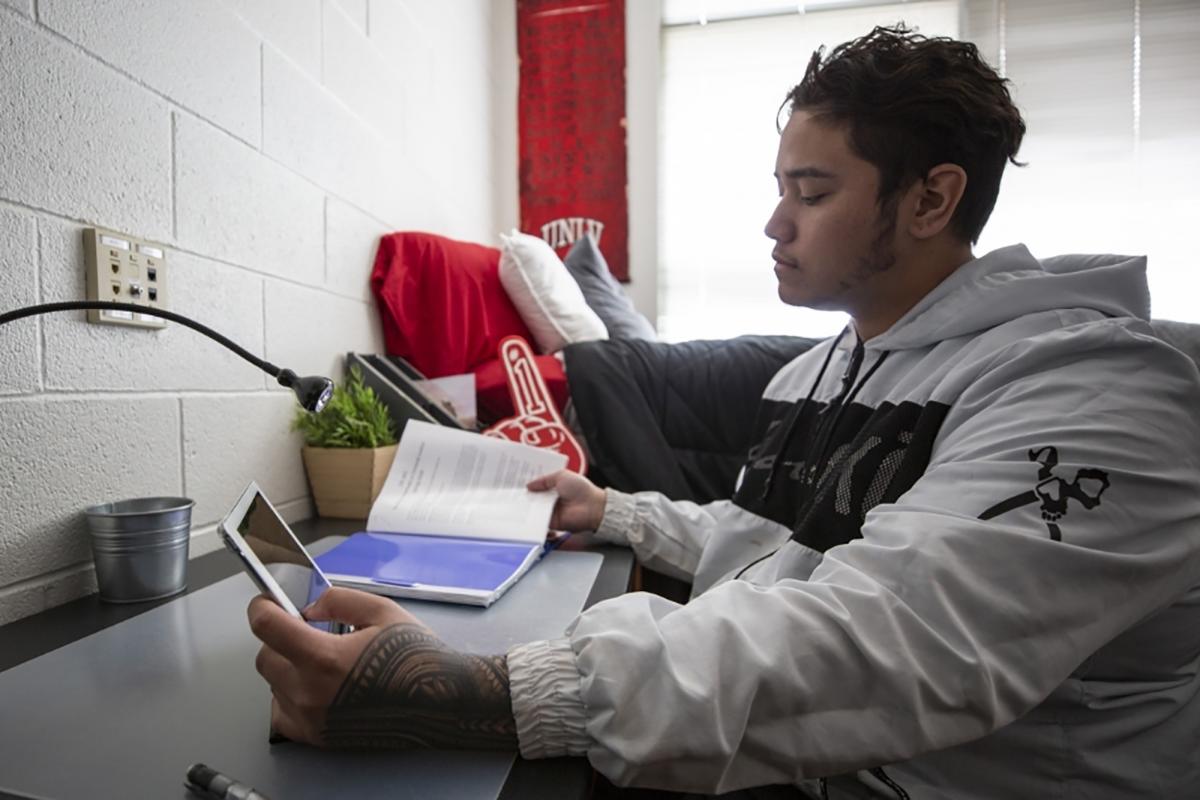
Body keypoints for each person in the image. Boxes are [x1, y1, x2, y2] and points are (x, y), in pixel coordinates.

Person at [247, 25, 1200, 798]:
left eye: (811, 191)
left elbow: (899, 637)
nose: (774, 224)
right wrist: (612, 509)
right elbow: (772, 545)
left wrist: (481, 690)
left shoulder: (1097, 387)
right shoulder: (821, 369)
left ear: (930, 199)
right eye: (779, 187)